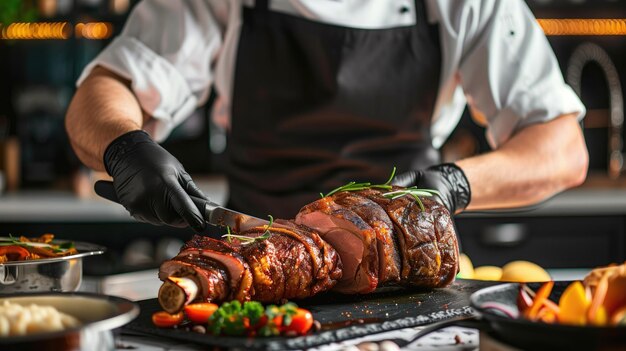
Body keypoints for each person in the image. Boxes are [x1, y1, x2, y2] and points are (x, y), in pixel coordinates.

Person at [65, 0, 588, 232]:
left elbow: (562, 148)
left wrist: (451, 184)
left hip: (405, 279)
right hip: (257, 256)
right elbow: (106, 88)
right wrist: (124, 146)